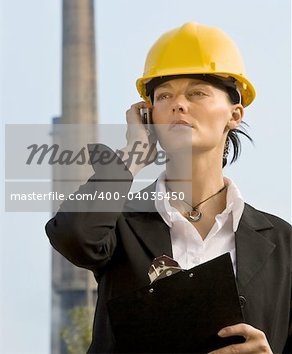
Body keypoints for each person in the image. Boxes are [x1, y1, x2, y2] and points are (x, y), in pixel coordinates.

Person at [46, 22, 292, 354]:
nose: (178, 104)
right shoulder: (119, 223)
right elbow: (73, 235)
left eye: (197, 93)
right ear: (148, 116)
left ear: (235, 114)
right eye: (164, 95)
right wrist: (133, 156)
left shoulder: (282, 244)